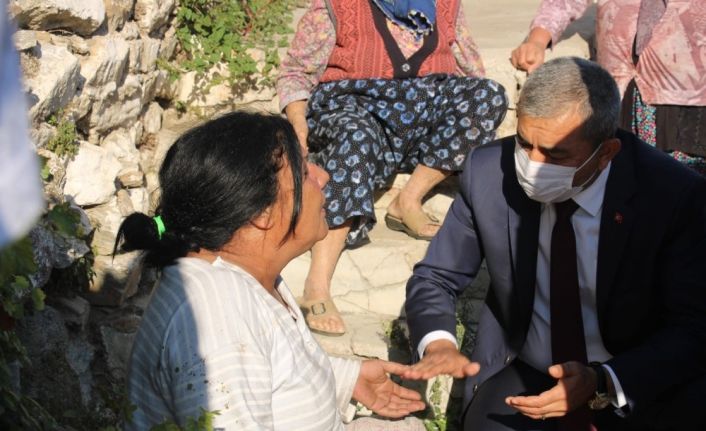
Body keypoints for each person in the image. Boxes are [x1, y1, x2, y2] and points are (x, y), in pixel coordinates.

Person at [403, 57, 706, 430]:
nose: (531, 165)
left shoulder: (671, 195)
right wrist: (438, 343)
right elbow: (436, 276)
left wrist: (605, 381)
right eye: (524, 143)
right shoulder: (488, 173)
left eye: (556, 154)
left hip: (633, 375)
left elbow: (694, 325)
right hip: (527, 372)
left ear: (606, 152)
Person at [116, 112, 425, 430]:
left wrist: (346, 378)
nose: (324, 177)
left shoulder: (251, 278)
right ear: (262, 213)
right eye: (304, 172)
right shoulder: (219, 318)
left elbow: (275, 366)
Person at [276, 0, 508, 336]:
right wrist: (298, 123)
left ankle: (408, 200)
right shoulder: (337, 5)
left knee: (488, 95)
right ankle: (318, 284)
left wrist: (472, 120)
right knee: (352, 138)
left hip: (423, 119)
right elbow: (297, 70)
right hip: (355, 106)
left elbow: (473, 71)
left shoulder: (447, 6)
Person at [510, 0, 706, 175]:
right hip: (619, 89)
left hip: (687, 96)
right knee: (621, 178)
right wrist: (537, 41)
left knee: (684, 183)